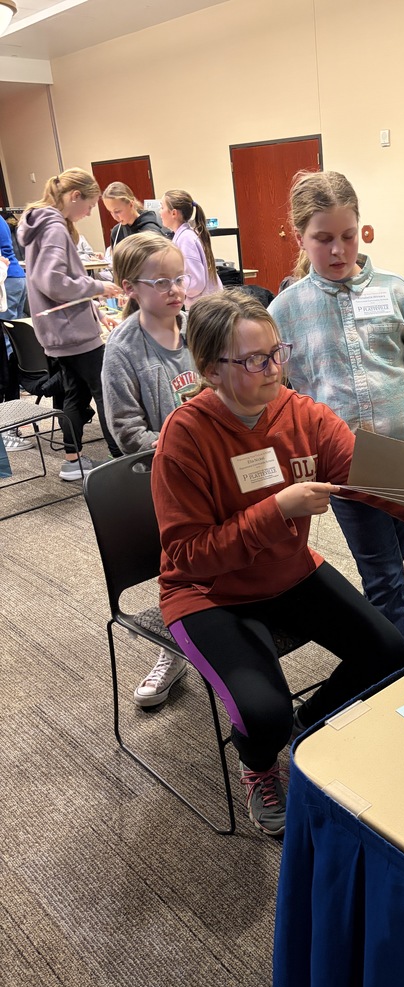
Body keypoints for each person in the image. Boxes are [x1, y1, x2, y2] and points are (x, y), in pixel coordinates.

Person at [151, 289, 404, 836]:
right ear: (210, 370)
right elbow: (187, 557)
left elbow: (394, 485)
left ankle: (305, 727)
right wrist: (276, 511)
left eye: (277, 352)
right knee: (261, 714)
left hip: (289, 573)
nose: (274, 369)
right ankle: (260, 764)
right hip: (208, 594)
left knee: (388, 651)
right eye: (254, 360)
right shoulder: (185, 437)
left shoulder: (304, 417)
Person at [269, 170, 404, 663]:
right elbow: (282, 399)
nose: (337, 251)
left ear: (361, 230)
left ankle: (373, 660)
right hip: (345, 468)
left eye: (348, 236)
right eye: (322, 239)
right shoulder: (286, 310)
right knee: (385, 581)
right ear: (299, 237)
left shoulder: (395, 293)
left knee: (388, 574)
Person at [102, 233, 197, 708]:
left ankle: (224, 631)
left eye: (179, 278)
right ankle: (172, 647)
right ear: (129, 288)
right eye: (161, 282)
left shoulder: (198, 326)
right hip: (166, 479)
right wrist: (177, 451)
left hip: (217, 468)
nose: (175, 289)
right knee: (175, 565)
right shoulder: (123, 349)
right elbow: (125, 429)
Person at [17, 168, 123, 477]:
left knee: (75, 393)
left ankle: (73, 461)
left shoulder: (40, 224)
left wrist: (92, 308)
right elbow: (53, 282)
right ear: (74, 196)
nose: (89, 212)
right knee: (106, 390)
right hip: (72, 332)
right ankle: (119, 460)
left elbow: (57, 282)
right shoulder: (53, 227)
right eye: (89, 205)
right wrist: (98, 288)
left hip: (60, 330)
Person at [0, 214, 32, 451]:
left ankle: (10, 424)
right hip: (15, 279)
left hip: (7, 282)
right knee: (13, 341)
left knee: (8, 347)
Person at [159, 190, 222, 304]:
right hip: (206, 305)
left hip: (206, 307)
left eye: (162, 207)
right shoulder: (184, 236)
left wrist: (174, 287)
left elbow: (195, 283)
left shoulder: (185, 239)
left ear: (173, 213)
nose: (159, 212)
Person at [102, 182, 166, 253]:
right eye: (110, 212)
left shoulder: (150, 231)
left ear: (131, 204)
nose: (114, 217)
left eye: (117, 211)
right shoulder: (116, 232)